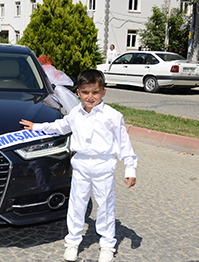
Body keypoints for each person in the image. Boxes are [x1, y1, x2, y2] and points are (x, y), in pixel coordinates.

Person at [20, 69, 138, 262]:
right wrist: (37, 127)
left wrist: (130, 168)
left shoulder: (113, 116)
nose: (90, 97)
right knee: (77, 203)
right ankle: (72, 241)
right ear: (78, 93)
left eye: (95, 92)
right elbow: (60, 126)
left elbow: (124, 144)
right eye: (85, 92)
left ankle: (107, 244)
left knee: (106, 204)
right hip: (81, 164)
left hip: (103, 165)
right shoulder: (75, 113)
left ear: (103, 92)